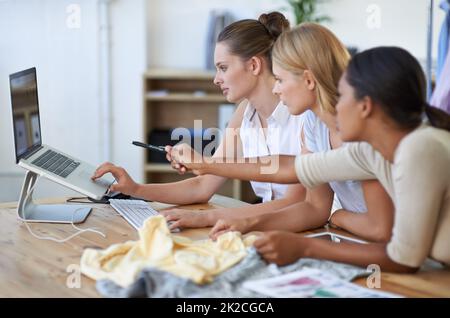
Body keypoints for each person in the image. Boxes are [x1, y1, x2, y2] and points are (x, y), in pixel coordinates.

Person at [171, 46, 450, 272]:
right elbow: (292, 167)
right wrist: (205, 164)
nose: (336, 105)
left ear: (365, 107)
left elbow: (403, 259)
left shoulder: (420, 148)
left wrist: (304, 247)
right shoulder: (370, 151)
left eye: (343, 97)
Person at [170, 23, 394, 243]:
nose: (276, 88)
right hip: (354, 239)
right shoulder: (313, 123)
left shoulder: (360, 131)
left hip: (387, 249)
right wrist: (249, 224)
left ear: (308, 80)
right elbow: (314, 206)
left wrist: (338, 216)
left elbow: (380, 230)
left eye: (279, 80)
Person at [92, 12, 306, 229]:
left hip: (307, 229)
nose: (216, 79)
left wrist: (206, 218)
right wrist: (136, 189)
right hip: (267, 226)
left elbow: (294, 203)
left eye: (223, 68)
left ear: (253, 65)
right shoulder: (244, 114)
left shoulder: (301, 113)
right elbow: (204, 185)